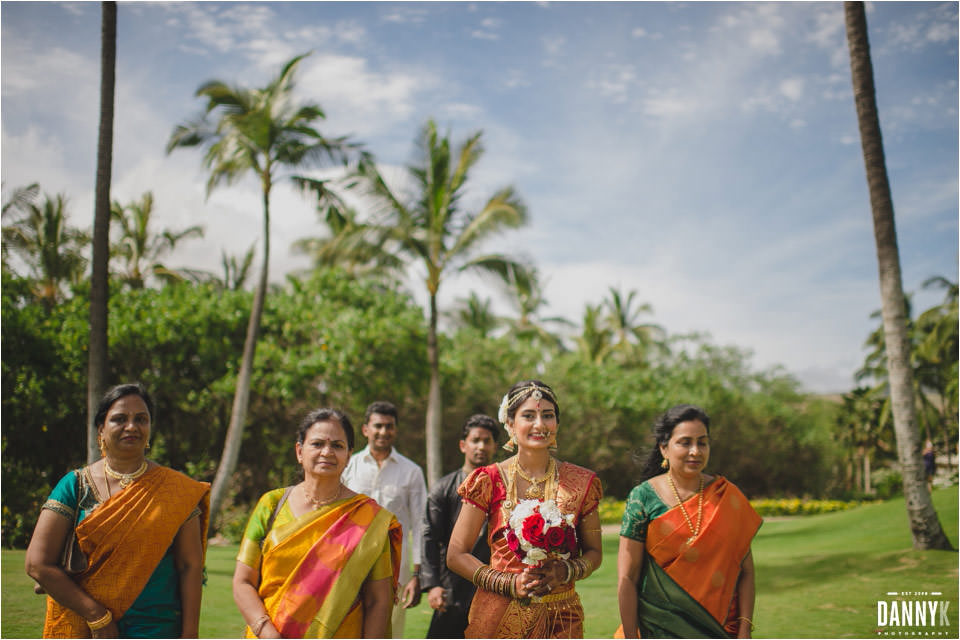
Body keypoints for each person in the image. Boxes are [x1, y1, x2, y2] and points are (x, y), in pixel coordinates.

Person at [25, 382, 210, 638]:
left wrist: (190, 634)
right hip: (87, 628)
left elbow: (190, 566)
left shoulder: (176, 490)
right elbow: (37, 564)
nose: (131, 427)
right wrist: (97, 616)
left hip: (157, 628)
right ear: (101, 428)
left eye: (141, 419)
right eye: (119, 419)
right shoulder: (75, 485)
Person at [447, 380, 604, 638]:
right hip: (499, 615)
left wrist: (566, 571)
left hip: (561, 618)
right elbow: (456, 555)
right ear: (510, 424)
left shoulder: (581, 482)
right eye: (528, 416)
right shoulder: (488, 480)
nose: (540, 425)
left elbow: (595, 552)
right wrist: (510, 583)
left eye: (548, 416)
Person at [233, 408, 401, 638]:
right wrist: (267, 632)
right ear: (299, 451)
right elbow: (243, 582)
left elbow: (378, 601)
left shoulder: (369, 519)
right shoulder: (271, 505)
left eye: (337, 446)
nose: (327, 452)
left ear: (349, 455)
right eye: (318, 444)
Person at [616, 404, 762, 639]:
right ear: (664, 448)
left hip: (719, 629)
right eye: (685, 442)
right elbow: (627, 578)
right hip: (656, 630)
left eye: (702, 442)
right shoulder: (643, 497)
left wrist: (744, 629)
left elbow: (745, 572)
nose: (695, 451)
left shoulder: (727, 497)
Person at [340, 401, 427, 639]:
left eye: (389, 426)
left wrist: (418, 575)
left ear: (395, 430)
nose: (383, 432)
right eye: (378, 426)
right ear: (365, 429)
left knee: (389, 631)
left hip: (395, 569)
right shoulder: (348, 466)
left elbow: (420, 524)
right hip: (349, 565)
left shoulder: (411, 471)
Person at [421, 414, 499, 638]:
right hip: (451, 587)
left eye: (487, 441)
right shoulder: (444, 489)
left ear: (494, 447)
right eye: (476, 440)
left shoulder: (504, 489)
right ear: (463, 445)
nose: (481, 446)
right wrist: (433, 585)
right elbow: (429, 537)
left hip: (493, 586)